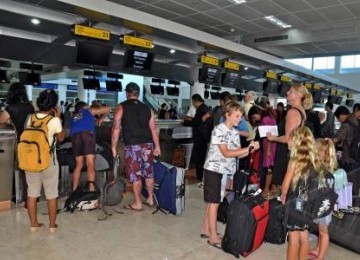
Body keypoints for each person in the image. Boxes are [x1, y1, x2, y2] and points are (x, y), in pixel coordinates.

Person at [200, 101, 259, 249]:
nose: (240, 119)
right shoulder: (219, 130)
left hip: (225, 171)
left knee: (215, 201)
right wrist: (248, 147)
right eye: (237, 116)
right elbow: (226, 153)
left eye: (241, 116)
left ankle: (206, 229)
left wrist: (250, 149)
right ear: (227, 115)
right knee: (214, 203)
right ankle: (213, 237)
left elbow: (237, 155)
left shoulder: (234, 132)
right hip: (214, 170)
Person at [111, 82, 161, 211]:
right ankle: (150, 198)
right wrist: (157, 147)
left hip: (133, 146)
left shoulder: (121, 107)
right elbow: (154, 130)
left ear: (127, 93)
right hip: (148, 146)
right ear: (138, 94)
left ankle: (138, 203)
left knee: (135, 176)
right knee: (149, 173)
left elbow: (116, 128)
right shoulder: (147, 108)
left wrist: (113, 147)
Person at [24, 89, 65, 233]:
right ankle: (52, 225)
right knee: (51, 194)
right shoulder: (53, 120)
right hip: (48, 161)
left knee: (32, 193)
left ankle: (33, 224)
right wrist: (58, 118)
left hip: (30, 160)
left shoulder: (31, 118)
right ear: (53, 105)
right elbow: (61, 138)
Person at [280, 127, 323, 260]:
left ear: (296, 141)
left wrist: (283, 196)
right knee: (304, 235)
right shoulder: (314, 161)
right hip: (309, 205)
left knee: (293, 238)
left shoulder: (294, 161)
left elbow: (286, 184)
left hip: (295, 204)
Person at [267, 84, 313, 195]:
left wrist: (273, 138)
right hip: (294, 151)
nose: (287, 92)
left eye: (290, 91)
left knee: (281, 186)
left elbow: (288, 138)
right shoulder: (301, 111)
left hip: (286, 152)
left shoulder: (293, 112)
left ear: (298, 95)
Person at [0, 82, 35, 205]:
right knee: (28, 171)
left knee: (18, 169)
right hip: (31, 141)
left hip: (17, 142)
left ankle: (20, 195)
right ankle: (29, 197)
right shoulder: (30, 107)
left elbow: (1, 120)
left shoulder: (11, 108)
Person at [70, 101, 111, 191]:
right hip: (87, 134)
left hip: (75, 136)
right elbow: (108, 109)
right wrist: (101, 119)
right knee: (90, 163)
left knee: (79, 164)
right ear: (84, 107)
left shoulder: (73, 117)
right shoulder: (87, 111)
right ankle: (91, 189)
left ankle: (74, 190)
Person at [308, 138, 338, 260]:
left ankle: (320, 256)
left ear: (322, 153)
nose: (314, 152)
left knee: (324, 233)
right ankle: (317, 249)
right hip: (321, 206)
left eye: (316, 150)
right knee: (320, 231)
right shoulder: (322, 169)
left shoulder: (324, 172)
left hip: (324, 207)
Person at [248, 105, 277, 198]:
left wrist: (268, 149)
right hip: (270, 144)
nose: (254, 119)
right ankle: (268, 189)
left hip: (269, 145)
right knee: (269, 168)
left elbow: (269, 134)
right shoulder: (269, 116)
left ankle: (265, 189)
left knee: (268, 168)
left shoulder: (265, 119)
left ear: (257, 113)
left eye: (254, 117)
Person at [333, 106, 360, 171]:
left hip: (348, 158)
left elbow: (335, 139)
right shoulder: (357, 121)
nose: (339, 121)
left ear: (341, 115)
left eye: (338, 118)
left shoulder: (346, 125)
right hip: (357, 156)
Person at [190, 94, 209, 182]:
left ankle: (200, 176)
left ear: (196, 100)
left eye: (193, 102)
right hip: (203, 137)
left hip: (200, 137)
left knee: (199, 157)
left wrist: (187, 121)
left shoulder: (202, 109)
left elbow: (197, 122)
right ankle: (200, 175)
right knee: (200, 157)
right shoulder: (205, 108)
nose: (193, 104)